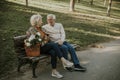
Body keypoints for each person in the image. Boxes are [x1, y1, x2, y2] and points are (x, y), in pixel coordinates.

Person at [26, 14, 73, 78]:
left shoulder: (42, 28)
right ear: (37, 21)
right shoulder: (32, 29)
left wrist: (46, 39)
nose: (42, 21)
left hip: (44, 46)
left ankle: (54, 72)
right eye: (41, 20)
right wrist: (45, 40)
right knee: (53, 45)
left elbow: (47, 37)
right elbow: (39, 41)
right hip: (38, 48)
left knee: (53, 52)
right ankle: (63, 60)